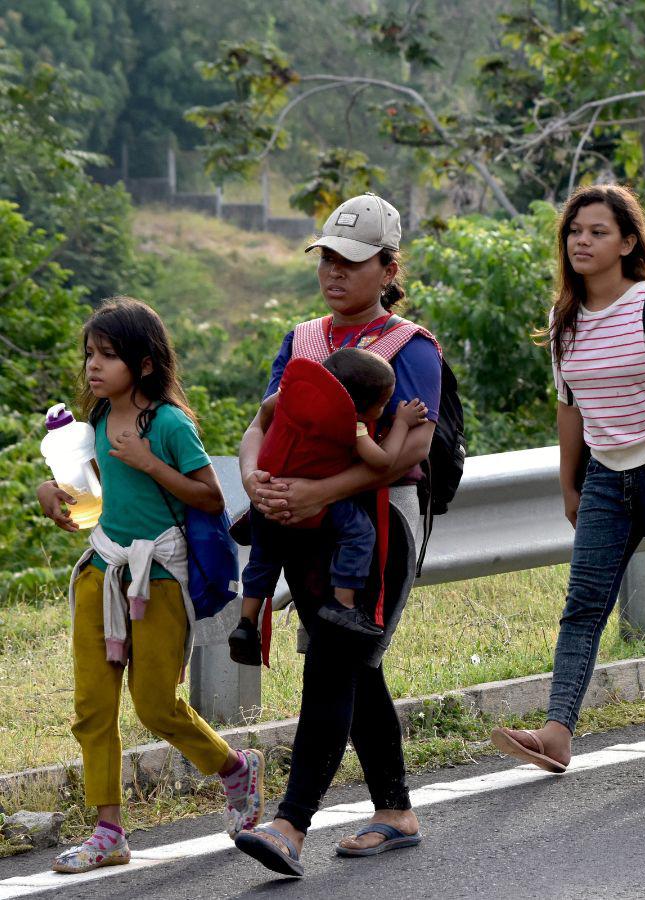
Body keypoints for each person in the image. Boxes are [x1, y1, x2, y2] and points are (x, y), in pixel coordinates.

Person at [489, 183, 645, 772]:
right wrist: (569, 484)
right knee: (584, 604)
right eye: (575, 231)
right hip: (605, 474)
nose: (583, 241)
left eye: (598, 232)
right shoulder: (564, 317)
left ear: (628, 242)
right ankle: (556, 733)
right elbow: (569, 405)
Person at [232, 193, 439, 877]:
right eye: (327, 259)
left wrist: (320, 491)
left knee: (333, 659)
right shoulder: (303, 339)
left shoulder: (411, 348)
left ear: (387, 267)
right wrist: (254, 478)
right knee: (354, 663)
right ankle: (396, 811)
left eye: (352, 262)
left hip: (376, 528)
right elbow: (262, 423)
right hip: (299, 526)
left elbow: (410, 455)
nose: (335, 273)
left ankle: (290, 826)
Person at [35, 297, 265, 874]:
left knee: (158, 705)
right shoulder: (94, 421)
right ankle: (108, 830)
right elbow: (92, 492)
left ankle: (235, 768)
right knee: (92, 707)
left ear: (141, 364)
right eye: (90, 354)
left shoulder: (166, 423)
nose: (93, 366)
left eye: (108, 356)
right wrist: (53, 495)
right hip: (102, 573)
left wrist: (149, 462)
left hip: (157, 581)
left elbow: (212, 496)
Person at [228, 347, 428, 655]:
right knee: (360, 532)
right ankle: (343, 604)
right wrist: (400, 422)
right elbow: (383, 461)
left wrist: (253, 475)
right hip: (312, 505)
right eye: (383, 403)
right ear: (362, 407)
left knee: (264, 560)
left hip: (267, 500)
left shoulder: (286, 399)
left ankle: (246, 623)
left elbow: (262, 419)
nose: (385, 407)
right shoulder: (352, 425)